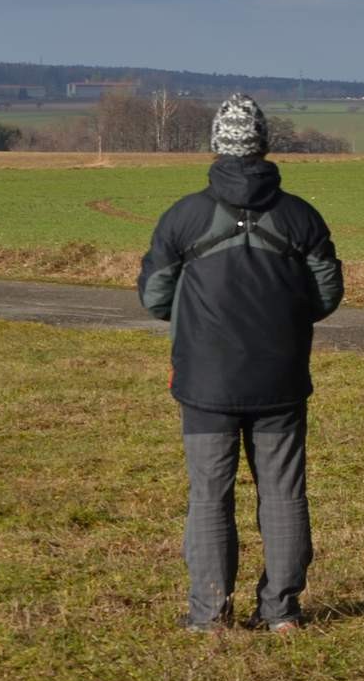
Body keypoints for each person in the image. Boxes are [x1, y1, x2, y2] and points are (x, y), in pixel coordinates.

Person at [137, 94, 344, 633]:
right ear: (264, 144)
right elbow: (326, 294)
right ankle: (281, 612)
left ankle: (209, 615)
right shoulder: (301, 217)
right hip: (282, 380)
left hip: (205, 382)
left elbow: (155, 297)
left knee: (209, 496)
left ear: (216, 145)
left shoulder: (183, 217)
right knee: (284, 494)